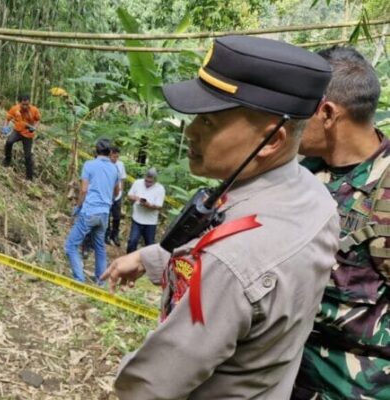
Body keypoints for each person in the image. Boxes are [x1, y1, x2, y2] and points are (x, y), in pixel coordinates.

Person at [101, 35, 339, 399]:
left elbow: (153, 384)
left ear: (272, 139)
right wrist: (152, 258)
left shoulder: (230, 262)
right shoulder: (312, 196)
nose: (192, 131)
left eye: (210, 122)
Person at [293, 46, 390, 400]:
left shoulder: (384, 194)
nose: (287, 121)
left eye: (297, 110)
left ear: (328, 113)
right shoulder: (302, 173)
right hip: (288, 376)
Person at [65, 138, 120, 284]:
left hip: (89, 211)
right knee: (100, 247)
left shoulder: (89, 165)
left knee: (71, 245)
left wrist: (78, 207)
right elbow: (117, 191)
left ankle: (79, 279)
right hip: (104, 214)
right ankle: (101, 282)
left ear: (96, 150)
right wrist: (108, 198)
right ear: (109, 152)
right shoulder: (115, 169)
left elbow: (83, 190)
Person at [126, 167, 165, 253]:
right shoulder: (137, 183)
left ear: (155, 180)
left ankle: (147, 263)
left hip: (150, 222)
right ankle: (128, 259)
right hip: (137, 218)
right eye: (146, 181)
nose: (147, 183)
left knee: (149, 244)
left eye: (150, 182)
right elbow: (129, 195)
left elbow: (159, 206)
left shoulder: (160, 188)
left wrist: (148, 205)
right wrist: (135, 198)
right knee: (132, 241)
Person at [3, 94, 41, 180]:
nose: (24, 106)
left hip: (28, 134)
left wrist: (34, 127)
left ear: (29, 103)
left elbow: (38, 120)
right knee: (9, 142)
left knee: (27, 156)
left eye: (26, 104)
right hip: (18, 131)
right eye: (23, 104)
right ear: (20, 103)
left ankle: (29, 177)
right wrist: (5, 126)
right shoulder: (15, 109)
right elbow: (7, 118)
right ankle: (7, 160)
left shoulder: (34, 110)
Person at [106, 146, 128, 245]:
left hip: (117, 195)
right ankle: (106, 234)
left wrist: (121, 191)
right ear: (109, 155)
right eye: (113, 157)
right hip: (107, 195)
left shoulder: (120, 164)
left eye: (117, 157)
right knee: (107, 216)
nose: (115, 159)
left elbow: (122, 179)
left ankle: (114, 235)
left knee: (117, 216)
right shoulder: (105, 165)